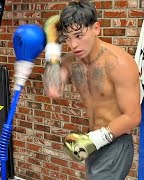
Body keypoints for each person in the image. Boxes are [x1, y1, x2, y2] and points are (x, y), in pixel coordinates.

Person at [43, 1, 141, 180]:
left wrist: (93, 140)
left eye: (79, 35)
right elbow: (53, 90)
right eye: (67, 38)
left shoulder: (119, 63)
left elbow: (133, 116)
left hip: (115, 143)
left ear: (96, 28)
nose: (73, 44)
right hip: (93, 142)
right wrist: (52, 47)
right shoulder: (71, 61)